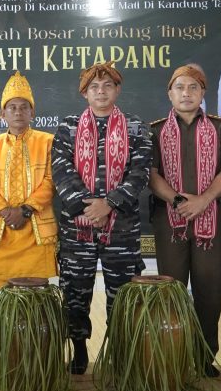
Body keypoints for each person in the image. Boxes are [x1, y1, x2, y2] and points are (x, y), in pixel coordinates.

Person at [52, 61, 152, 374]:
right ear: (85, 93)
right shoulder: (68, 127)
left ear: (117, 90)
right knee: (75, 292)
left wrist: (108, 204)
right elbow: (60, 170)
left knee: (121, 294)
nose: (101, 91)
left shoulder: (136, 126)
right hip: (77, 228)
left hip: (121, 228)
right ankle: (79, 350)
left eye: (107, 86)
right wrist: (87, 208)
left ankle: (120, 352)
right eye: (94, 87)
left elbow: (140, 172)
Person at [148, 64, 221, 374]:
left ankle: (204, 356)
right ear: (169, 93)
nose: (186, 93)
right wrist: (177, 200)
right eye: (180, 88)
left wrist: (203, 200)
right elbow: (151, 174)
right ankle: (172, 352)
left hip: (209, 219)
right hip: (169, 219)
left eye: (193, 88)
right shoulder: (156, 130)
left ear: (203, 93)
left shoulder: (218, 127)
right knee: (170, 288)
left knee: (208, 288)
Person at [0, 71, 57, 295]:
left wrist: (25, 209)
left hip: (36, 232)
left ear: (33, 112)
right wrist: (5, 211)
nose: (18, 112)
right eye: (12, 107)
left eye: (24, 107)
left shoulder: (48, 142)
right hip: (1, 232)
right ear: (3, 113)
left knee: (37, 301)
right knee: (2, 303)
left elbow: (51, 180)